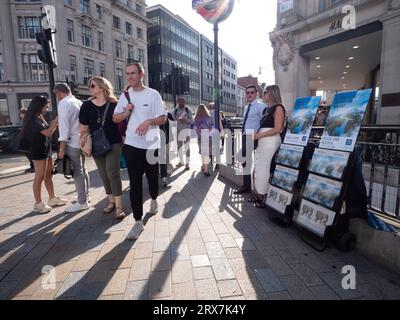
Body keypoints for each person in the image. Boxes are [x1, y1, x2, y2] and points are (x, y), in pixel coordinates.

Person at [113, 62, 166, 240]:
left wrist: (148, 122)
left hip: (151, 144)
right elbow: (115, 118)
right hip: (132, 145)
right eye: (127, 73)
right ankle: (137, 222)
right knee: (135, 184)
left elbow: (163, 118)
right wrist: (126, 113)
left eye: (133, 73)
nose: (130, 77)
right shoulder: (125, 96)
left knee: (152, 179)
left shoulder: (153, 94)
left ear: (141, 74)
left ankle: (153, 199)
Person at [79, 76, 126, 220]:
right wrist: (85, 143)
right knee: (103, 174)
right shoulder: (86, 105)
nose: (90, 88)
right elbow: (83, 128)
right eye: (89, 86)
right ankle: (111, 200)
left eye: (92, 86)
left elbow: (123, 123)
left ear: (102, 86)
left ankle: (119, 206)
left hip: (114, 142)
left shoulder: (115, 104)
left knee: (112, 172)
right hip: (97, 144)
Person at [20, 96, 67, 213]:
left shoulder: (39, 117)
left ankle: (52, 198)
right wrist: (55, 122)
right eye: (46, 107)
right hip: (38, 151)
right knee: (39, 176)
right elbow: (48, 132)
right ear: (39, 106)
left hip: (46, 149)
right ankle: (38, 203)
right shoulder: (32, 120)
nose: (47, 109)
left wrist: (53, 123)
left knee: (48, 175)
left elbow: (48, 131)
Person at [54, 83, 91, 213]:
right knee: (83, 169)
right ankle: (86, 196)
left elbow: (64, 128)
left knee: (77, 172)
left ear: (58, 92)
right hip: (82, 141)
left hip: (72, 143)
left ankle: (82, 202)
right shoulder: (78, 102)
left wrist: (61, 149)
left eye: (55, 94)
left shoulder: (64, 104)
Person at [250, 85, 285, 207]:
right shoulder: (266, 109)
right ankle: (259, 195)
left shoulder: (279, 108)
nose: (263, 95)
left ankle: (262, 197)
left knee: (264, 168)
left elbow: (277, 129)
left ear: (272, 93)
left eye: (265, 92)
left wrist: (259, 136)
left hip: (270, 142)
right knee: (258, 168)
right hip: (262, 141)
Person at [234, 85, 266, 194]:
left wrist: (258, 134)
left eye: (252, 92)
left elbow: (264, 121)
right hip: (245, 135)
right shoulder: (247, 107)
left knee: (240, 155)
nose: (249, 94)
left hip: (253, 136)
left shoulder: (261, 106)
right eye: (247, 93)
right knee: (246, 161)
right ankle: (246, 186)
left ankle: (251, 185)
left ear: (256, 93)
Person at [193, 104, 215, 176]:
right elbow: (213, 128)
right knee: (206, 153)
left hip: (200, 137)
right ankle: (206, 170)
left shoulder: (196, 118)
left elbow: (195, 129)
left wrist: (199, 133)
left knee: (203, 153)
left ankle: (203, 166)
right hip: (208, 137)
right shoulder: (209, 117)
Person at [172, 97, 193, 170]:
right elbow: (173, 119)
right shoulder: (175, 110)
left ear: (184, 102)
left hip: (186, 130)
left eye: (182, 102)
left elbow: (192, 121)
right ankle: (181, 161)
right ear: (177, 102)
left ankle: (187, 163)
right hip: (178, 131)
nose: (181, 103)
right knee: (179, 147)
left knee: (187, 147)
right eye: (179, 102)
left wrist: (185, 120)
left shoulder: (188, 110)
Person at [159, 102, 174, 187]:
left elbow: (173, 122)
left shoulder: (168, 114)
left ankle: (167, 171)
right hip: (156, 139)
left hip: (167, 139)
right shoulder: (154, 114)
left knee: (165, 156)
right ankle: (164, 171)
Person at [19, 108, 35, 173]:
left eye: (21, 113)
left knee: (29, 153)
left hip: (29, 139)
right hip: (26, 139)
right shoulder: (25, 120)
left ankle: (34, 167)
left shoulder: (28, 120)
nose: (20, 115)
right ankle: (32, 166)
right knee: (28, 153)